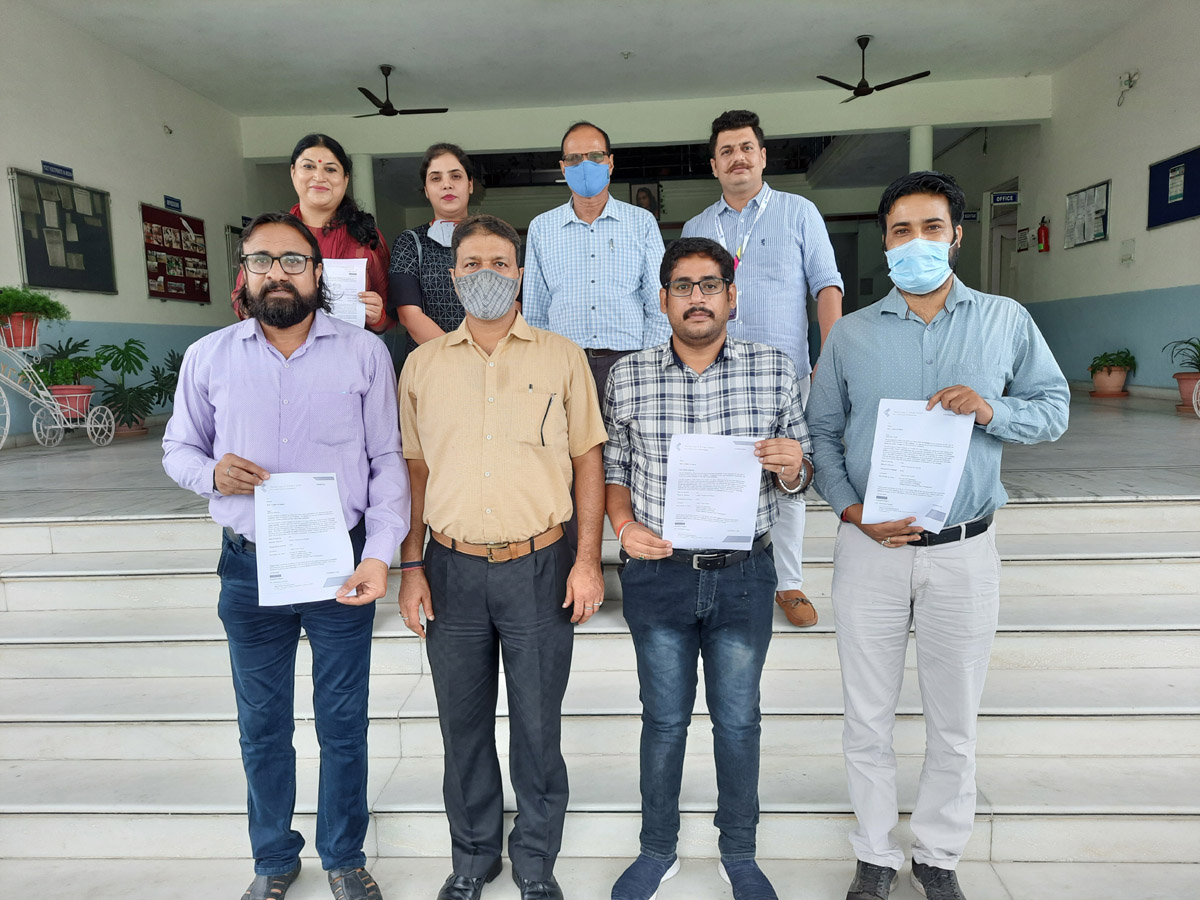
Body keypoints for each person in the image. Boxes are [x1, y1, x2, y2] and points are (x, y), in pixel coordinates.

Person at [806, 171, 1069, 900]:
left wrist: (992, 412)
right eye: (899, 230)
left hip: (962, 551)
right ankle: (873, 854)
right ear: (885, 242)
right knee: (867, 715)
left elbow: (1053, 409)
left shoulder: (1006, 321)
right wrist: (851, 509)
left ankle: (940, 855)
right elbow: (822, 434)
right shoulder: (852, 335)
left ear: (956, 235)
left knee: (954, 720)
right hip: (870, 550)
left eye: (930, 228)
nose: (914, 242)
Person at [164, 211, 409, 900]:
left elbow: (387, 461)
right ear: (243, 274)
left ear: (318, 273)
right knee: (262, 725)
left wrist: (382, 554)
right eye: (263, 260)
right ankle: (273, 858)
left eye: (293, 261)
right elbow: (178, 448)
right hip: (249, 567)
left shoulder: (364, 355)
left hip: (340, 565)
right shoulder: (209, 356)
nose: (278, 271)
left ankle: (343, 854)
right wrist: (210, 474)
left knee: (343, 722)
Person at [396, 214, 608, 900]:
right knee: (462, 723)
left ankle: (537, 858)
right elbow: (414, 474)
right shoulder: (423, 366)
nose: (485, 274)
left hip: (541, 566)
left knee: (538, 725)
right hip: (451, 568)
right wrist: (411, 566)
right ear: (452, 276)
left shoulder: (561, 356)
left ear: (519, 273)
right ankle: (475, 854)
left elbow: (587, 461)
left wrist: (587, 560)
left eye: (499, 262)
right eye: (471, 264)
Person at [604, 236, 812, 900]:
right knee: (663, 720)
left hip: (745, 574)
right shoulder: (629, 375)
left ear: (732, 296)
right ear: (663, 300)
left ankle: (739, 852)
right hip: (660, 574)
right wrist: (624, 526)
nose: (698, 297)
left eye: (710, 284)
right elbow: (613, 474)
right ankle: (657, 848)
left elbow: (800, 474)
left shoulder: (774, 369)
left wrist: (791, 466)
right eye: (684, 286)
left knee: (739, 719)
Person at [682, 109, 845, 630]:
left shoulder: (800, 212)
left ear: (763, 156)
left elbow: (826, 286)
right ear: (714, 164)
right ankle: (721, 568)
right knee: (719, 470)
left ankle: (790, 582)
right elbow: (687, 295)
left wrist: (828, 357)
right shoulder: (696, 227)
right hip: (718, 372)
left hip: (786, 373)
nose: (738, 158)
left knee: (788, 470)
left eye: (746, 147)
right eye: (727, 151)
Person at [523, 120, 669, 399]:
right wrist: (546, 366)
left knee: (629, 443)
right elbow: (535, 312)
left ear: (610, 163)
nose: (585, 165)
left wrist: (646, 364)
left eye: (595, 156)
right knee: (570, 443)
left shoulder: (641, 222)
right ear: (563, 167)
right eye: (575, 158)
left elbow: (660, 304)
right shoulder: (542, 228)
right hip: (564, 364)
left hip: (629, 361)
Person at [233, 133, 392, 334]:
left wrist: (378, 317)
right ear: (292, 172)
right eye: (308, 166)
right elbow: (241, 304)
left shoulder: (366, 237)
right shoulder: (269, 235)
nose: (319, 177)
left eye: (330, 169)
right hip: (280, 353)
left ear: (345, 178)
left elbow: (388, 317)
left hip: (346, 355)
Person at [388, 142, 476, 354]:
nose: (447, 185)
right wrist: (460, 355)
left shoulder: (493, 237)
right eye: (436, 178)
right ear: (426, 191)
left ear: (470, 185)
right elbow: (409, 315)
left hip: (490, 360)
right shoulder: (410, 242)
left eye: (456, 176)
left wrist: (485, 353)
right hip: (430, 362)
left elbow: (513, 304)